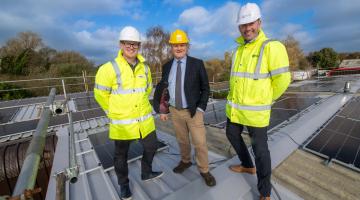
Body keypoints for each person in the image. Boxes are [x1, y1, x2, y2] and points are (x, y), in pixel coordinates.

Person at [225, 3, 291, 200]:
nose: (247, 28)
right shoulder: (237, 51)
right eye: (243, 25)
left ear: (259, 22)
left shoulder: (272, 47)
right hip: (235, 110)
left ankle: (265, 192)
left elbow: (282, 80)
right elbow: (236, 80)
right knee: (231, 134)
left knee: (261, 152)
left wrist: (265, 99)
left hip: (256, 113)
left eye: (251, 23)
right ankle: (247, 165)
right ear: (239, 27)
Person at [94, 26, 163, 200]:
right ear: (121, 44)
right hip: (122, 122)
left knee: (152, 146)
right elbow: (100, 94)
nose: (131, 47)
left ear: (138, 46)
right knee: (120, 156)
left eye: (135, 44)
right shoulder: (108, 68)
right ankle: (124, 185)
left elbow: (147, 89)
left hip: (144, 120)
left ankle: (146, 172)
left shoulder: (145, 68)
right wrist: (113, 111)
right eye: (127, 43)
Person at [153, 29, 216, 187]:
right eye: (175, 45)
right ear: (171, 47)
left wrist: (201, 108)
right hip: (175, 110)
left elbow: (205, 88)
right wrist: (163, 109)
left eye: (182, 45)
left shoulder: (197, 64)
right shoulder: (166, 67)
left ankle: (204, 170)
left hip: (193, 111)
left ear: (187, 46)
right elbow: (165, 90)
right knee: (182, 140)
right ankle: (185, 161)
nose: (179, 48)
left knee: (200, 142)